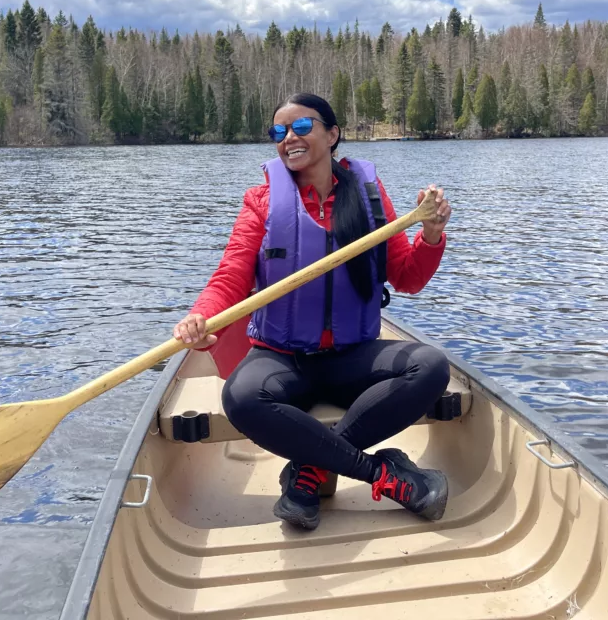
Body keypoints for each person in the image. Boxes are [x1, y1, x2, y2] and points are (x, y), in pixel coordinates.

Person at [172, 93, 452, 531]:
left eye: (301, 127)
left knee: (431, 365)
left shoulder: (370, 197)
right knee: (241, 397)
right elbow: (230, 277)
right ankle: (383, 474)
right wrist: (200, 316)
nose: (288, 139)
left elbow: (408, 277)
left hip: (352, 356)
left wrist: (431, 235)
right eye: (278, 132)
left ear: (332, 133)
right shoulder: (261, 202)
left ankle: (308, 472)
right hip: (282, 357)